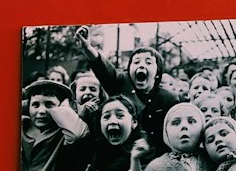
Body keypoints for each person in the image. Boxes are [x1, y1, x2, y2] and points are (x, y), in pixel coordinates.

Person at [74, 27, 179, 158]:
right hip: (119, 155)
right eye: (136, 62)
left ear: (158, 73)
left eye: (148, 62)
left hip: (157, 156)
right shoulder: (120, 82)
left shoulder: (169, 98)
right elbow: (102, 67)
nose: (141, 65)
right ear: (129, 70)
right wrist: (87, 47)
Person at [21, 79, 89, 171]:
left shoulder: (63, 131)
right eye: (35, 105)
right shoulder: (21, 126)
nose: (41, 111)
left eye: (49, 104)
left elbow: (77, 134)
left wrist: (65, 105)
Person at [74, 94, 153, 171]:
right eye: (106, 116)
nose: (112, 121)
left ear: (134, 122)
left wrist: (135, 160)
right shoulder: (90, 152)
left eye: (120, 115)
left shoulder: (145, 151)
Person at [142, 103, 210, 171]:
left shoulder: (212, 159)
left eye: (191, 121)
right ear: (166, 131)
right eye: (176, 123)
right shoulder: (154, 168)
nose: (184, 126)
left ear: (202, 127)